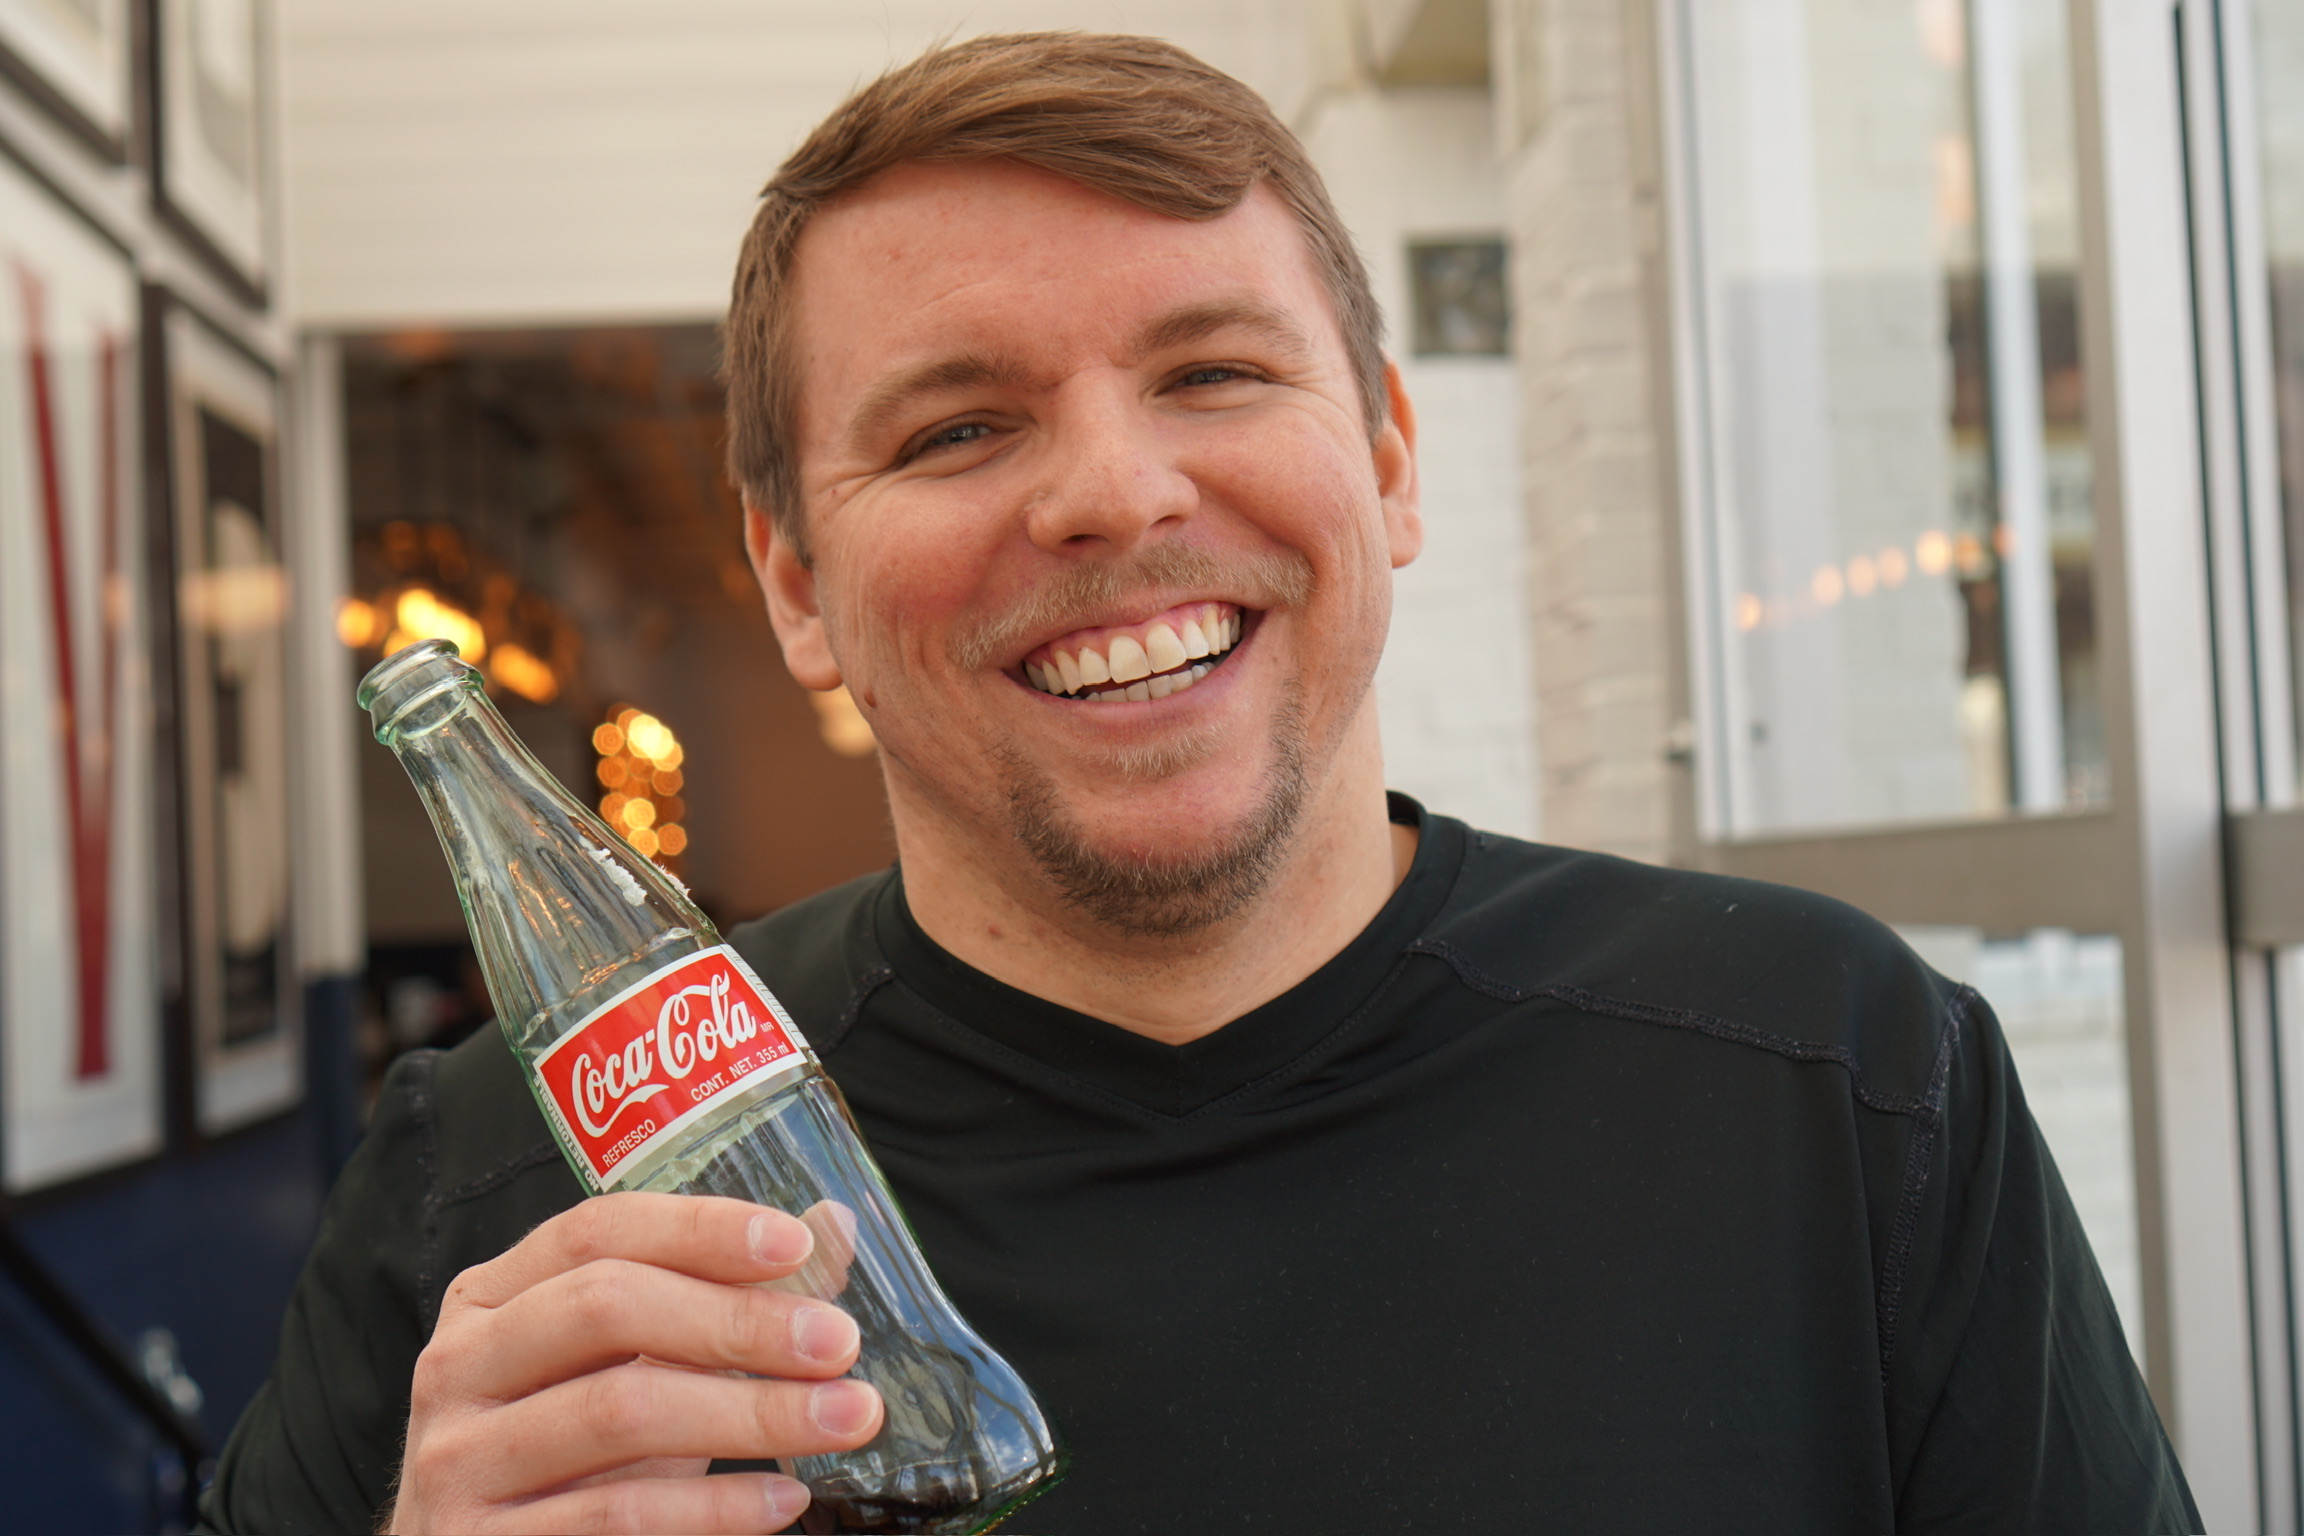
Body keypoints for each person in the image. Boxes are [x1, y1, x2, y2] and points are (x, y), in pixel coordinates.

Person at [198, 31, 2197, 1536]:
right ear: (797, 586)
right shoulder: (499, 1182)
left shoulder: (1835, 1078)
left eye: (1218, 373)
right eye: (959, 424)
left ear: (1393, 461)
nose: (1113, 493)